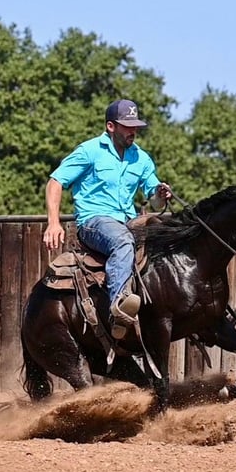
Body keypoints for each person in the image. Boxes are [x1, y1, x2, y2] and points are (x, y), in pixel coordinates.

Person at [43, 99, 172, 340]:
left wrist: (160, 194)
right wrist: (53, 222)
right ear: (111, 127)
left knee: (169, 239)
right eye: (127, 126)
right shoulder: (89, 151)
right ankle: (118, 307)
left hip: (129, 222)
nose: (133, 131)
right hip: (94, 222)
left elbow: (154, 200)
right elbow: (55, 181)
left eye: (136, 126)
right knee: (122, 241)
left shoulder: (141, 158)